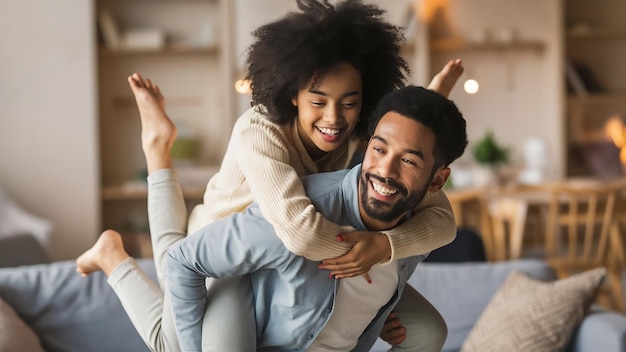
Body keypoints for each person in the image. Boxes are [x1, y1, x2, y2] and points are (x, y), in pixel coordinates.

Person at [76, 0, 464, 350]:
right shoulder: (258, 130)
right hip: (224, 250)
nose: (333, 119)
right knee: (172, 344)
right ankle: (147, 176)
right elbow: (301, 231)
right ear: (294, 94)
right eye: (318, 101)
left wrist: (382, 254)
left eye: (350, 103)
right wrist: (369, 260)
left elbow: (438, 211)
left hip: (292, 265)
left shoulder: (358, 136)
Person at [167, 85, 468, 351]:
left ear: (437, 182)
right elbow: (182, 259)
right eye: (378, 149)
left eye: (408, 161)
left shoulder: (418, 228)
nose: (385, 171)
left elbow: (442, 223)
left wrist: (383, 259)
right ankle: (156, 159)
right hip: (216, 237)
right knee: (163, 337)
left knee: (428, 333)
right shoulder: (297, 213)